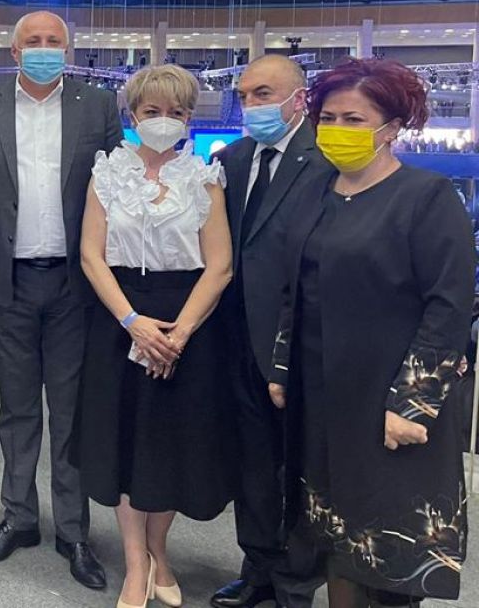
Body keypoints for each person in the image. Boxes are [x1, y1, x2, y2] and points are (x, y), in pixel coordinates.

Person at [270, 58, 473, 607]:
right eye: (328, 118)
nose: (337, 129)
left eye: (354, 119)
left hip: (388, 399)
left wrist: (411, 405)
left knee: (387, 544)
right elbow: (295, 286)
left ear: (392, 127)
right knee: (335, 536)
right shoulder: (315, 191)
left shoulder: (427, 197)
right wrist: (283, 368)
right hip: (322, 396)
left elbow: (449, 308)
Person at [0, 10, 121, 590]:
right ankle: (18, 518)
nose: (44, 48)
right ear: (14, 52)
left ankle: (73, 531)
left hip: (75, 285)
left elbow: (118, 192)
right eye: (32, 41)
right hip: (5, 285)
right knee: (16, 411)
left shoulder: (97, 107)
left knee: (69, 413)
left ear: (68, 49)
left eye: (53, 41)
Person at [77, 64, 235, 608]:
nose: (164, 120)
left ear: (189, 118)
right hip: (120, 316)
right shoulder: (107, 173)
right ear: (133, 113)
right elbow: (91, 256)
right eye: (152, 111)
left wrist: (179, 334)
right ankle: (135, 562)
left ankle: (160, 550)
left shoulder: (205, 178)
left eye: (176, 112)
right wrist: (133, 323)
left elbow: (220, 266)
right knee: (125, 443)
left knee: (167, 444)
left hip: (186, 321)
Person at [212, 56, 331, 608]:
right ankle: (257, 568)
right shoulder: (231, 159)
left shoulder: (326, 160)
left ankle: (296, 583)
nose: (251, 105)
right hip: (236, 337)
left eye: (263, 93)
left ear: (298, 99)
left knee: (300, 468)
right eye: (244, 95)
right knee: (252, 463)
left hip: (300, 340)